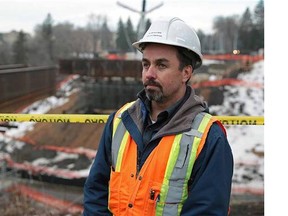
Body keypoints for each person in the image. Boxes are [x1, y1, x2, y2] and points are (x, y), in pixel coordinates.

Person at [83, 17, 233, 216]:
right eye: (146, 64)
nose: (149, 74)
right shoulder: (120, 120)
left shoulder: (208, 138)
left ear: (186, 72)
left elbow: (207, 210)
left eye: (161, 65)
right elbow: (96, 192)